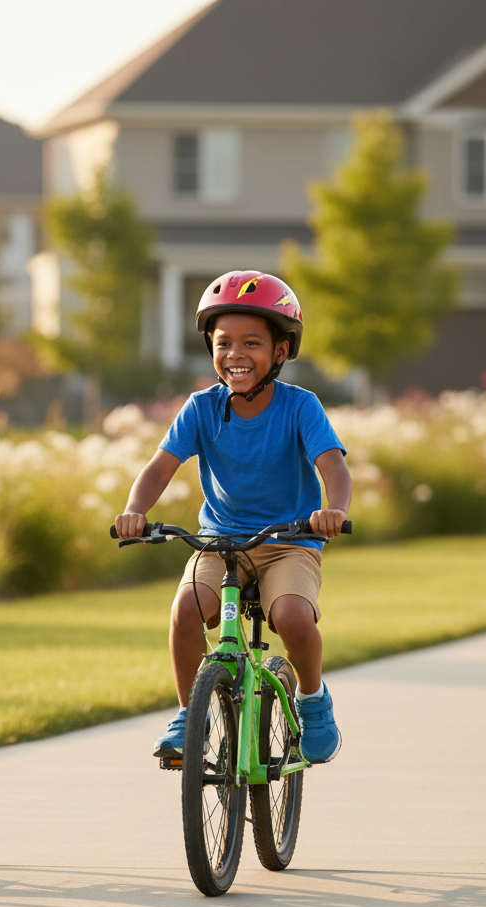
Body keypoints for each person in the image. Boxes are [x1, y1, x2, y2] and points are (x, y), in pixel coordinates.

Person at [113, 271, 351, 764]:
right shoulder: (201, 408)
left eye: (251, 343)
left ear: (281, 352)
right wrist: (135, 512)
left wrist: (333, 511)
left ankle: (311, 698)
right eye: (223, 343)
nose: (235, 354)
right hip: (220, 541)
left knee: (290, 616)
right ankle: (189, 715)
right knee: (184, 611)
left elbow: (333, 466)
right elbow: (159, 467)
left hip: (289, 540)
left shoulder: (300, 407)